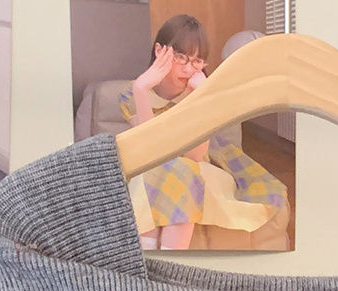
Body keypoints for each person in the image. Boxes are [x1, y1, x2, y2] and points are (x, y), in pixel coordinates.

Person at [120, 15, 288, 251]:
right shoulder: (133, 93)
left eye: (197, 61)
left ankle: (168, 264)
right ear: (159, 50)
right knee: (156, 174)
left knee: (181, 172)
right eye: (181, 57)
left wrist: (200, 100)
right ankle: (154, 264)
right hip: (151, 169)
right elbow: (148, 152)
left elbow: (195, 156)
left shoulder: (200, 91)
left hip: (199, 168)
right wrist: (141, 89)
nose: (188, 69)